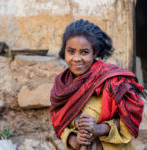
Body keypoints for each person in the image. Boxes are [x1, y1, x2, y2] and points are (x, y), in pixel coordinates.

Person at [50, 19, 144, 150]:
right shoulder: (61, 85)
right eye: (71, 51)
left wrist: (99, 128)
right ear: (64, 51)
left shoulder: (113, 80)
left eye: (84, 52)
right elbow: (59, 121)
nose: (76, 58)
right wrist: (72, 140)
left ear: (95, 53)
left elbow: (131, 118)